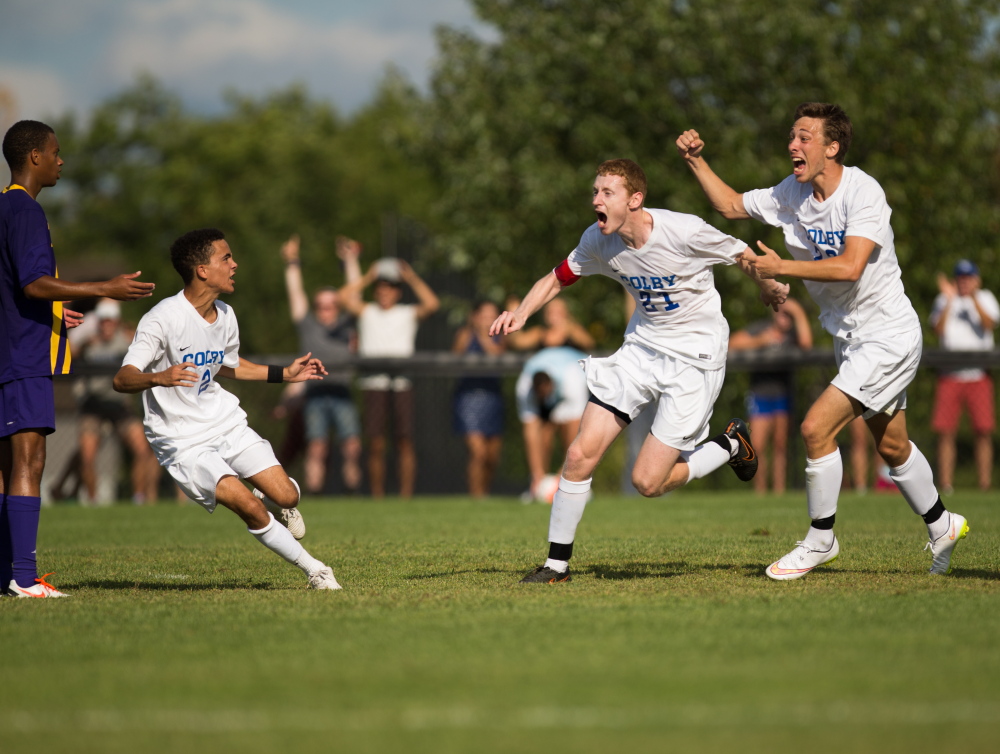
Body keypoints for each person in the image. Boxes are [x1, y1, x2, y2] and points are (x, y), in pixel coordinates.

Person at [677, 101, 969, 579]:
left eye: (805, 137)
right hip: (850, 339)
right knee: (892, 447)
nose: (794, 144)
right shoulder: (791, 192)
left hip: (888, 335)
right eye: (793, 135)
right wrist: (695, 160)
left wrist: (780, 268)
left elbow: (850, 265)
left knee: (815, 428)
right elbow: (730, 205)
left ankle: (820, 539)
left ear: (832, 147)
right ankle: (942, 524)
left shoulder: (863, 192)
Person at [490, 158, 787, 583]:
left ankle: (728, 445)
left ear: (635, 199)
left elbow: (740, 253)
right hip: (641, 350)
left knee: (648, 482)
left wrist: (767, 284)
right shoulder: (598, 239)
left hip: (695, 360)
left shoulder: (682, 230)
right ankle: (556, 565)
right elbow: (556, 278)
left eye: (606, 193)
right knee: (578, 454)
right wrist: (520, 314)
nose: (596, 199)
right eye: (595, 192)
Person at [113, 228, 342, 591]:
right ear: (202, 270)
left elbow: (228, 364)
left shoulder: (226, 314)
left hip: (223, 421)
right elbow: (123, 379)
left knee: (287, 495)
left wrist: (285, 374)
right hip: (181, 440)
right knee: (249, 505)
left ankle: (284, 502)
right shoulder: (162, 318)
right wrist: (159, 376)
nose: (235, 265)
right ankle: (316, 570)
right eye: (226, 258)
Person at [1, 119, 155, 598]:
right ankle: (23, 577)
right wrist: (102, 288)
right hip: (24, 358)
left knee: (7, 466)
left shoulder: (3, 208)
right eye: (55, 152)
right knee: (30, 459)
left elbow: (15, 289)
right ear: (34, 157)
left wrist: (52, 312)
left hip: (10, 347)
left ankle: (7, 575)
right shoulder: (25, 211)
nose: (60, 160)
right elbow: (32, 282)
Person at [340, 254, 440, 498]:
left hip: (402, 382)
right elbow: (342, 298)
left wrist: (411, 277)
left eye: (390, 288)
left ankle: (405, 495)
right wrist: (369, 277)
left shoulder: (406, 313)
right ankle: (378, 495)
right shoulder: (368, 311)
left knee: (404, 440)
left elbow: (432, 304)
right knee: (375, 441)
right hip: (374, 382)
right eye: (381, 288)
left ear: (398, 292)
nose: (385, 293)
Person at [280, 233, 362, 495]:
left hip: (341, 390)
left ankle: (354, 494)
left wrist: (350, 260)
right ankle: (314, 493)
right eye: (321, 306)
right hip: (314, 392)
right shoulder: (308, 324)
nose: (326, 310)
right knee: (316, 446)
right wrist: (292, 261)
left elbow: (355, 293)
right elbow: (296, 293)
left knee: (351, 446)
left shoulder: (346, 322)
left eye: (331, 305)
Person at [74, 299, 160, 504]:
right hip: (93, 405)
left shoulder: (128, 341)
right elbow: (68, 354)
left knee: (141, 449)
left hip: (120, 406)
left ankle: (138, 498)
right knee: (86, 456)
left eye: (111, 321)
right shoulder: (89, 343)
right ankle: (92, 501)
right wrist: (82, 344)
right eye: (103, 321)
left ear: (117, 321)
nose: (107, 325)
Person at [728, 298, 812, 494]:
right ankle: (760, 492)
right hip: (759, 392)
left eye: (788, 315)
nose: (784, 318)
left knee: (780, 445)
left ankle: (779, 491)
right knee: (756, 445)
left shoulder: (793, 334)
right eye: (782, 313)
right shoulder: (761, 329)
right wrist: (760, 341)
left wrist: (798, 311)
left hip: (783, 393)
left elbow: (807, 345)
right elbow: (733, 342)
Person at [930, 259, 998, 493]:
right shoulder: (944, 299)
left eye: (968, 277)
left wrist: (974, 298)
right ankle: (946, 484)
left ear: (975, 279)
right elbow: (937, 328)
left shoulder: (986, 297)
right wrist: (949, 300)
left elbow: (989, 324)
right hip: (950, 374)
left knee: (983, 431)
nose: (964, 281)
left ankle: (984, 484)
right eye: (960, 277)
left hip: (978, 375)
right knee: (946, 432)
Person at [515, 346, 590, 501]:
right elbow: (530, 430)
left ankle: (574, 483)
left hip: (574, 376)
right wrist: (537, 476)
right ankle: (535, 483)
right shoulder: (524, 388)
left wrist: (560, 478)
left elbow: (576, 433)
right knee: (543, 435)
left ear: (552, 386)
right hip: (553, 390)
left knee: (568, 431)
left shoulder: (572, 379)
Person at [451, 300, 506, 498]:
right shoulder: (464, 335)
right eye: (483, 315)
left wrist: (485, 336)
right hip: (468, 398)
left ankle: (485, 492)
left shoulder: (501, 338)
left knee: (492, 457)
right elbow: (454, 359)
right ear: (474, 317)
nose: (487, 320)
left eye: (492, 316)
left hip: (493, 397)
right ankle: (476, 497)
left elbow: (496, 356)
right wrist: (474, 334)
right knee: (478, 453)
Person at [508, 298, 596, 352]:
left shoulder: (573, 330)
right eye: (551, 312)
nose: (554, 316)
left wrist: (569, 329)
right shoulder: (540, 332)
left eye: (558, 312)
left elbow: (589, 343)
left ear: (566, 313)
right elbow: (519, 343)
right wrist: (514, 318)